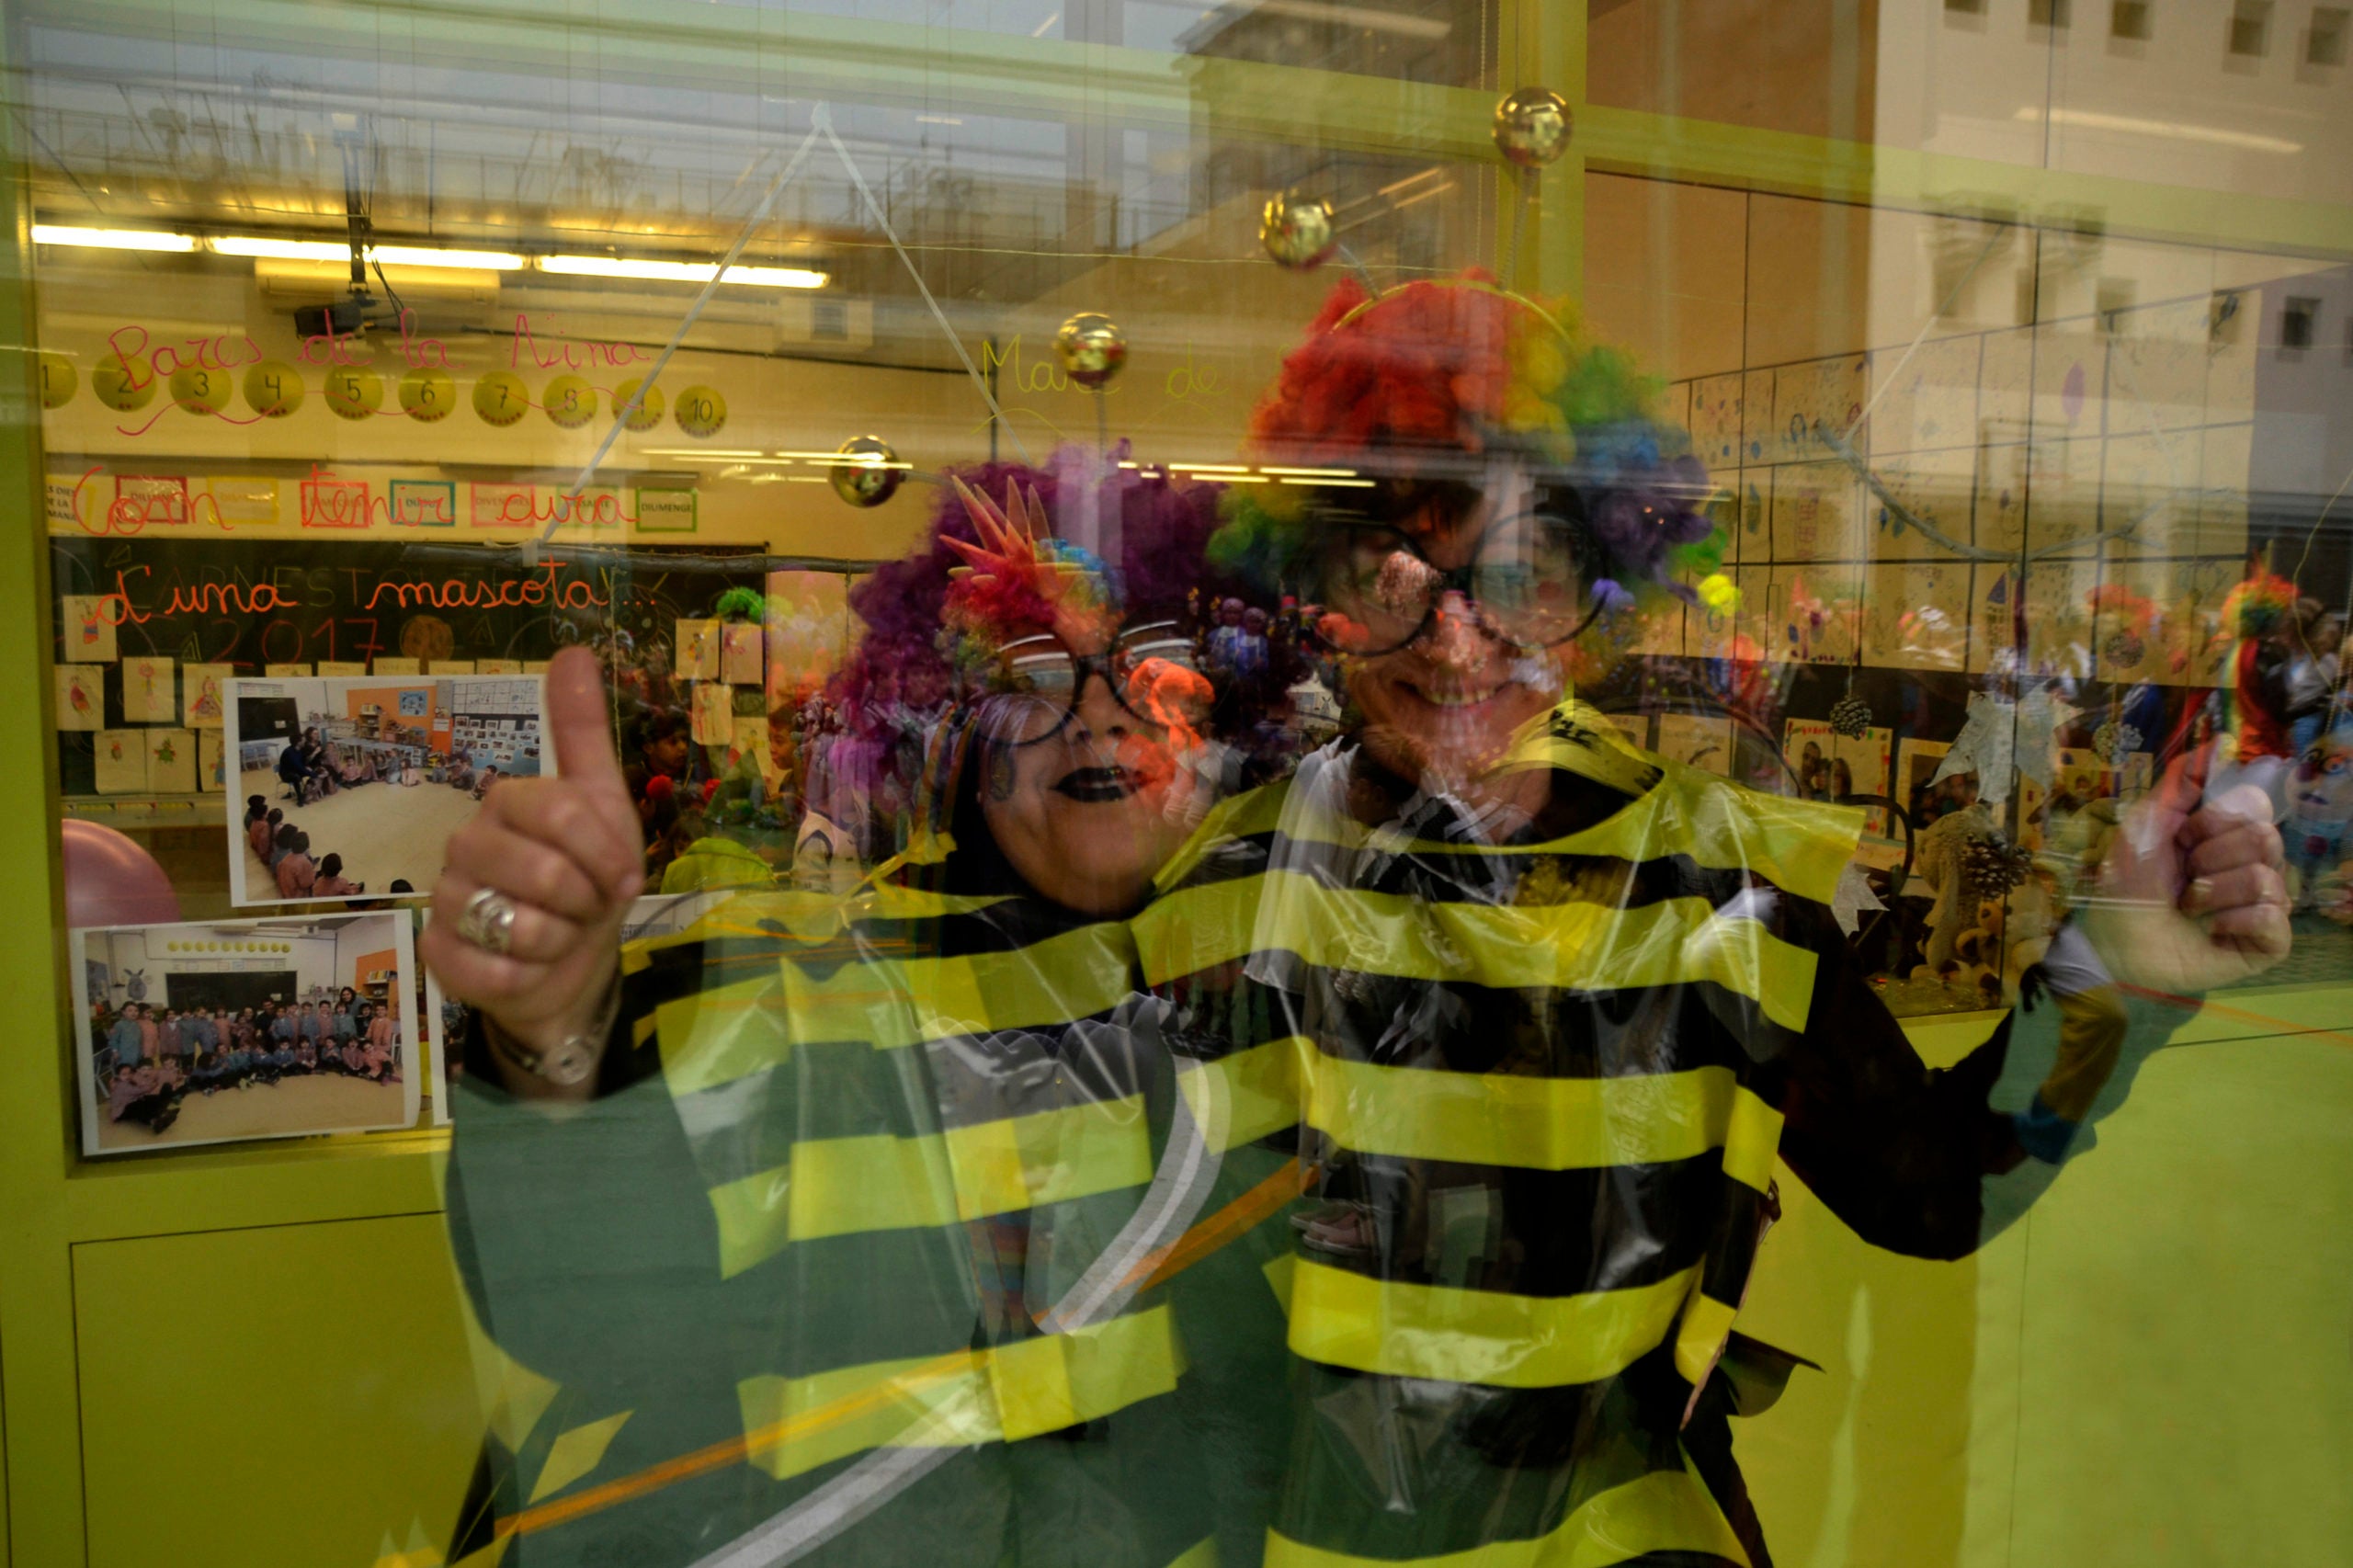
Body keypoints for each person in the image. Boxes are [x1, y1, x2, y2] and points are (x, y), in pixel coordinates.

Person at [426, 290, 2290, 1568]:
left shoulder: (1736, 882)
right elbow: (879, 1106)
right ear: (1310, 601)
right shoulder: (1212, 873)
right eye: (1388, 577)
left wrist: (2108, 976)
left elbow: (1929, 1193)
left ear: (1599, 588)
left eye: (1521, 576)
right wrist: (562, 1031)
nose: (1458, 646)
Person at [428, 464, 1278, 1568]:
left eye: (1149, 670)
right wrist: (551, 1034)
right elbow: (598, 1327)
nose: (1099, 722)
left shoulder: (1295, 962)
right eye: (1030, 679)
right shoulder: (812, 983)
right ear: (947, 726)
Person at [275, 832, 317, 899]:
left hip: (285, 891)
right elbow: (307, 884)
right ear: (307, 846)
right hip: (296, 896)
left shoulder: (286, 858)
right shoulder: (305, 863)